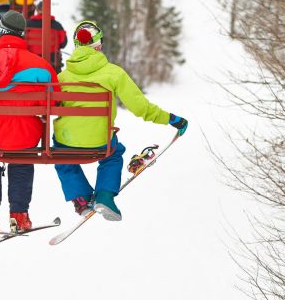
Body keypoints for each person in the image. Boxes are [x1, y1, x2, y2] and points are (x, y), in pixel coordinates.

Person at [52, 20, 188, 221]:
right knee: (113, 154)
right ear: (98, 45)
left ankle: (80, 199)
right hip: (99, 141)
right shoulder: (114, 73)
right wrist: (171, 119)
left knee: (61, 157)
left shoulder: (62, 77)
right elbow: (141, 107)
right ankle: (105, 196)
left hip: (66, 140)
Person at [0, 10, 58, 232]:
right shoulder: (41, 66)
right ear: (22, 34)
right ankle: (19, 214)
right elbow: (55, 102)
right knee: (22, 161)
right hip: (27, 136)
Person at [25, 1, 68, 72]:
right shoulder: (57, 25)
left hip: (30, 60)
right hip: (52, 61)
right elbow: (63, 43)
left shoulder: (27, 24)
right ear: (49, 10)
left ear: (37, 10)